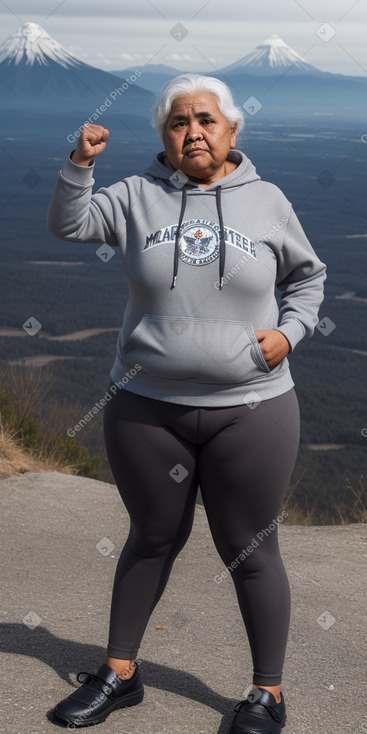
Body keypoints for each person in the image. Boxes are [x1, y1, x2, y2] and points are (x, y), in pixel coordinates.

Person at [47, 73, 326, 733]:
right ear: (164, 137)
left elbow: (308, 277)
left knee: (251, 549)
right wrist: (79, 164)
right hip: (146, 408)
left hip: (252, 408)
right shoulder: (137, 196)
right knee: (149, 539)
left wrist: (288, 334)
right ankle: (119, 673)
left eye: (205, 119)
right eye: (177, 122)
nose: (192, 132)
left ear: (232, 130)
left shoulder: (267, 201)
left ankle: (266, 694)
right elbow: (69, 225)